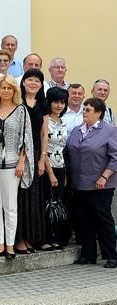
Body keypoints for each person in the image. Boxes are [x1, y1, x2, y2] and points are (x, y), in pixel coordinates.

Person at [0, 75, 34, 260]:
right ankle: (0, 245)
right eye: (3, 88)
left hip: (12, 165)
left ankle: (11, 246)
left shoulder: (21, 111)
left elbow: (26, 138)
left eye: (9, 88)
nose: (6, 91)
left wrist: (21, 162)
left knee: (10, 207)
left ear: (14, 91)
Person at [66, 97, 117, 268]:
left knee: (103, 219)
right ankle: (88, 255)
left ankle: (111, 255)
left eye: (88, 110)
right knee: (84, 219)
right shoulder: (77, 130)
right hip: (79, 183)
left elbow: (115, 157)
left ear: (99, 113)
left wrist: (104, 176)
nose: (84, 113)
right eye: (84, 109)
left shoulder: (109, 130)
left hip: (100, 184)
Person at [15, 69, 50, 254]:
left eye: (37, 80)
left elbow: (44, 133)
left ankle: (30, 237)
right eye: (30, 79)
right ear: (23, 82)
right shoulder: (16, 101)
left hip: (36, 153)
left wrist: (42, 159)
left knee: (34, 197)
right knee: (20, 196)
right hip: (18, 153)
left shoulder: (43, 104)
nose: (33, 83)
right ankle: (18, 238)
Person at [44, 87, 70, 248]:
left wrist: (63, 173)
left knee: (58, 203)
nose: (59, 105)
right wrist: (51, 173)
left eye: (62, 102)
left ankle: (57, 237)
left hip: (61, 167)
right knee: (47, 203)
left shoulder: (63, 122)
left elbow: (63, 148)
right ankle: (46, 238)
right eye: (56, 101)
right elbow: (44, 149)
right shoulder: (45, 120)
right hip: (47, 167)